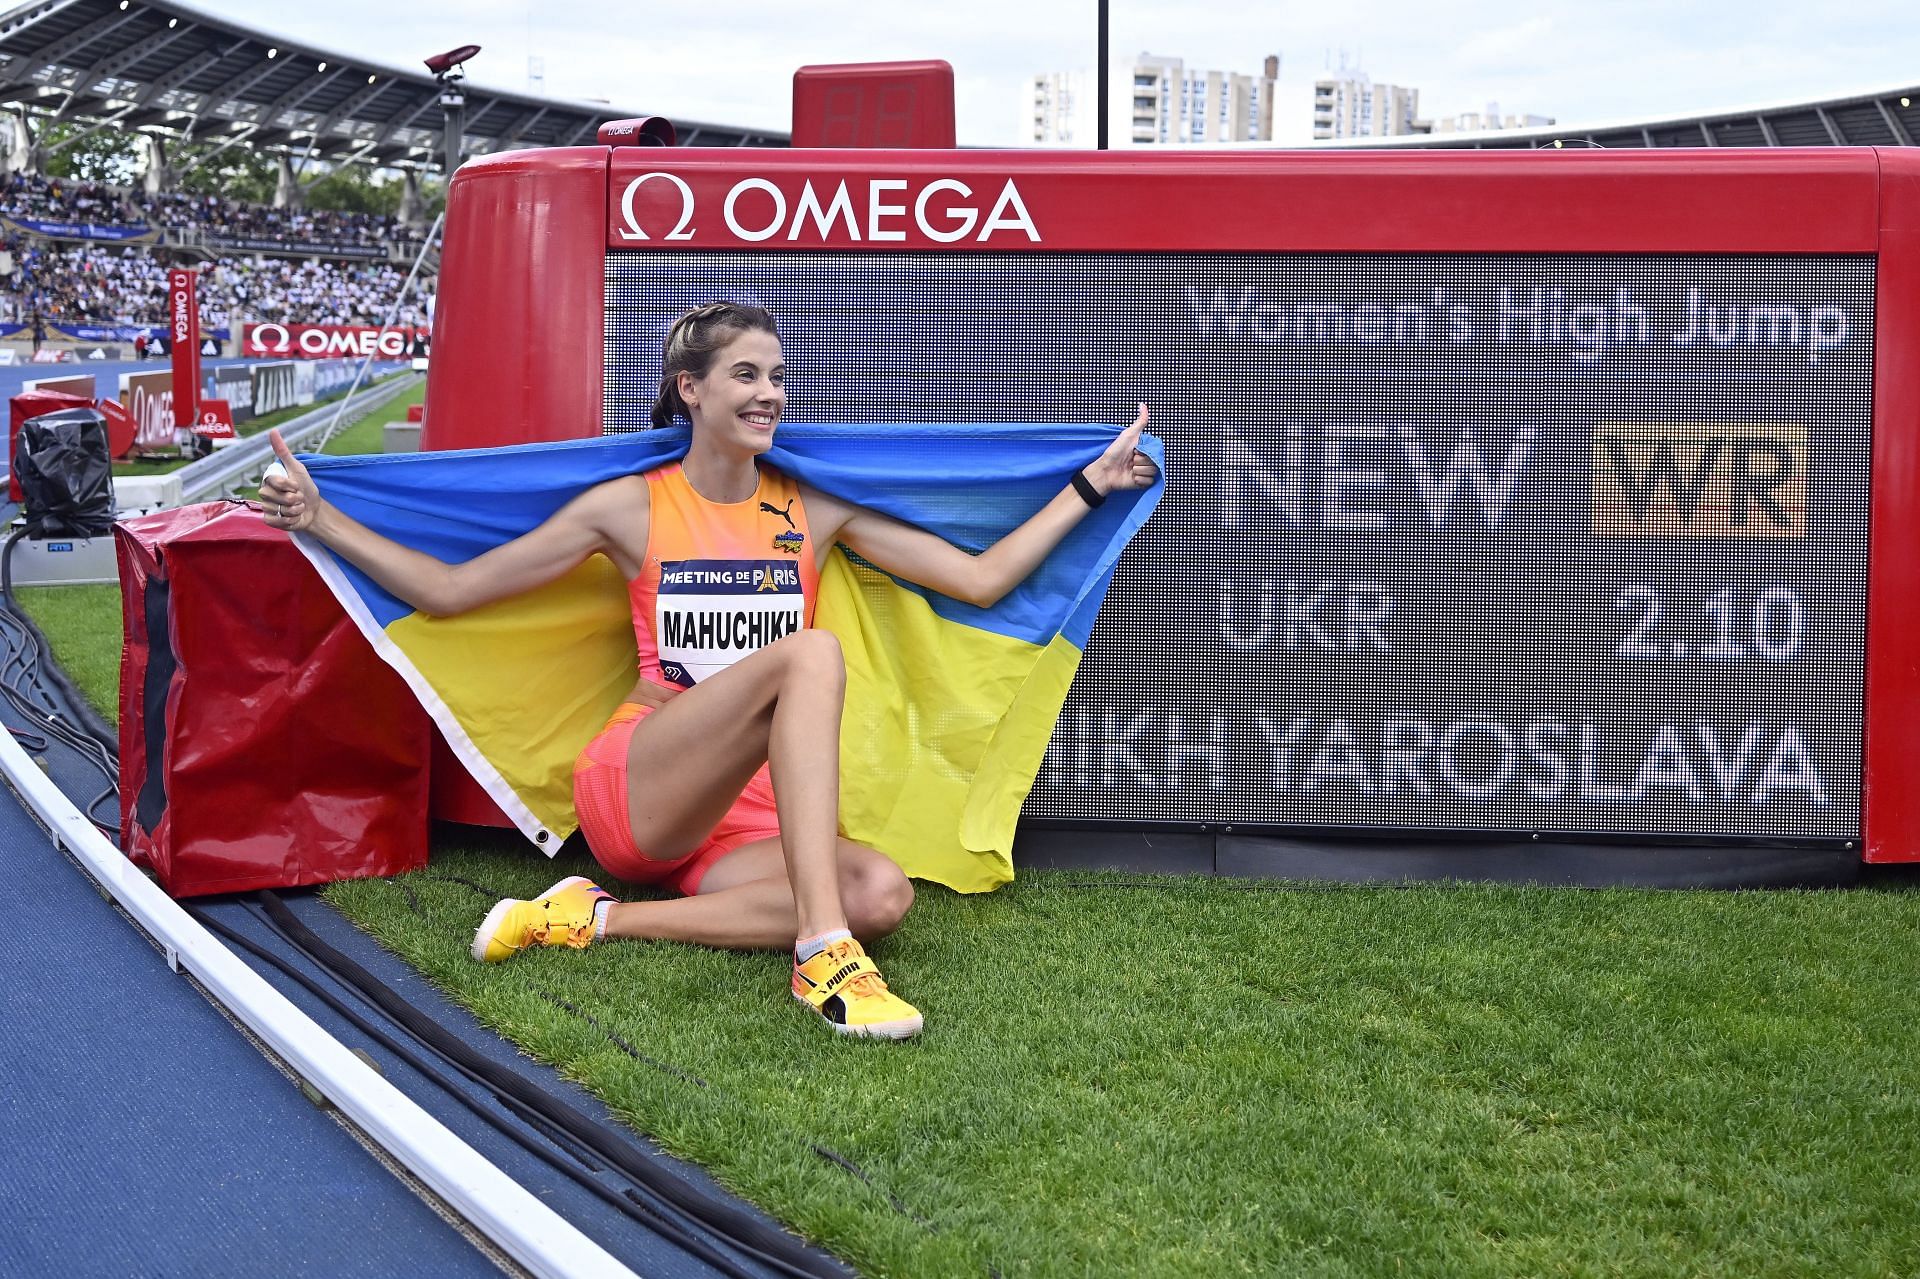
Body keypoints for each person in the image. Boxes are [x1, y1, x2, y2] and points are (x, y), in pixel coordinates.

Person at [259, 301, 1157, 1039]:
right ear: (690, 389)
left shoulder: (812, 507)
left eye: (776, 376)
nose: (769, 394)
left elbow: (982, 578)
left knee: (882, 890)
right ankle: (822, 956)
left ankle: (588, 916)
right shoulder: (629, 507)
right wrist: (320, 519)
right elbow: (454, 591)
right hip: (646, 782)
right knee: (811, 651)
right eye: (746, 375)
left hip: (750, 819)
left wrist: (1087, 486)